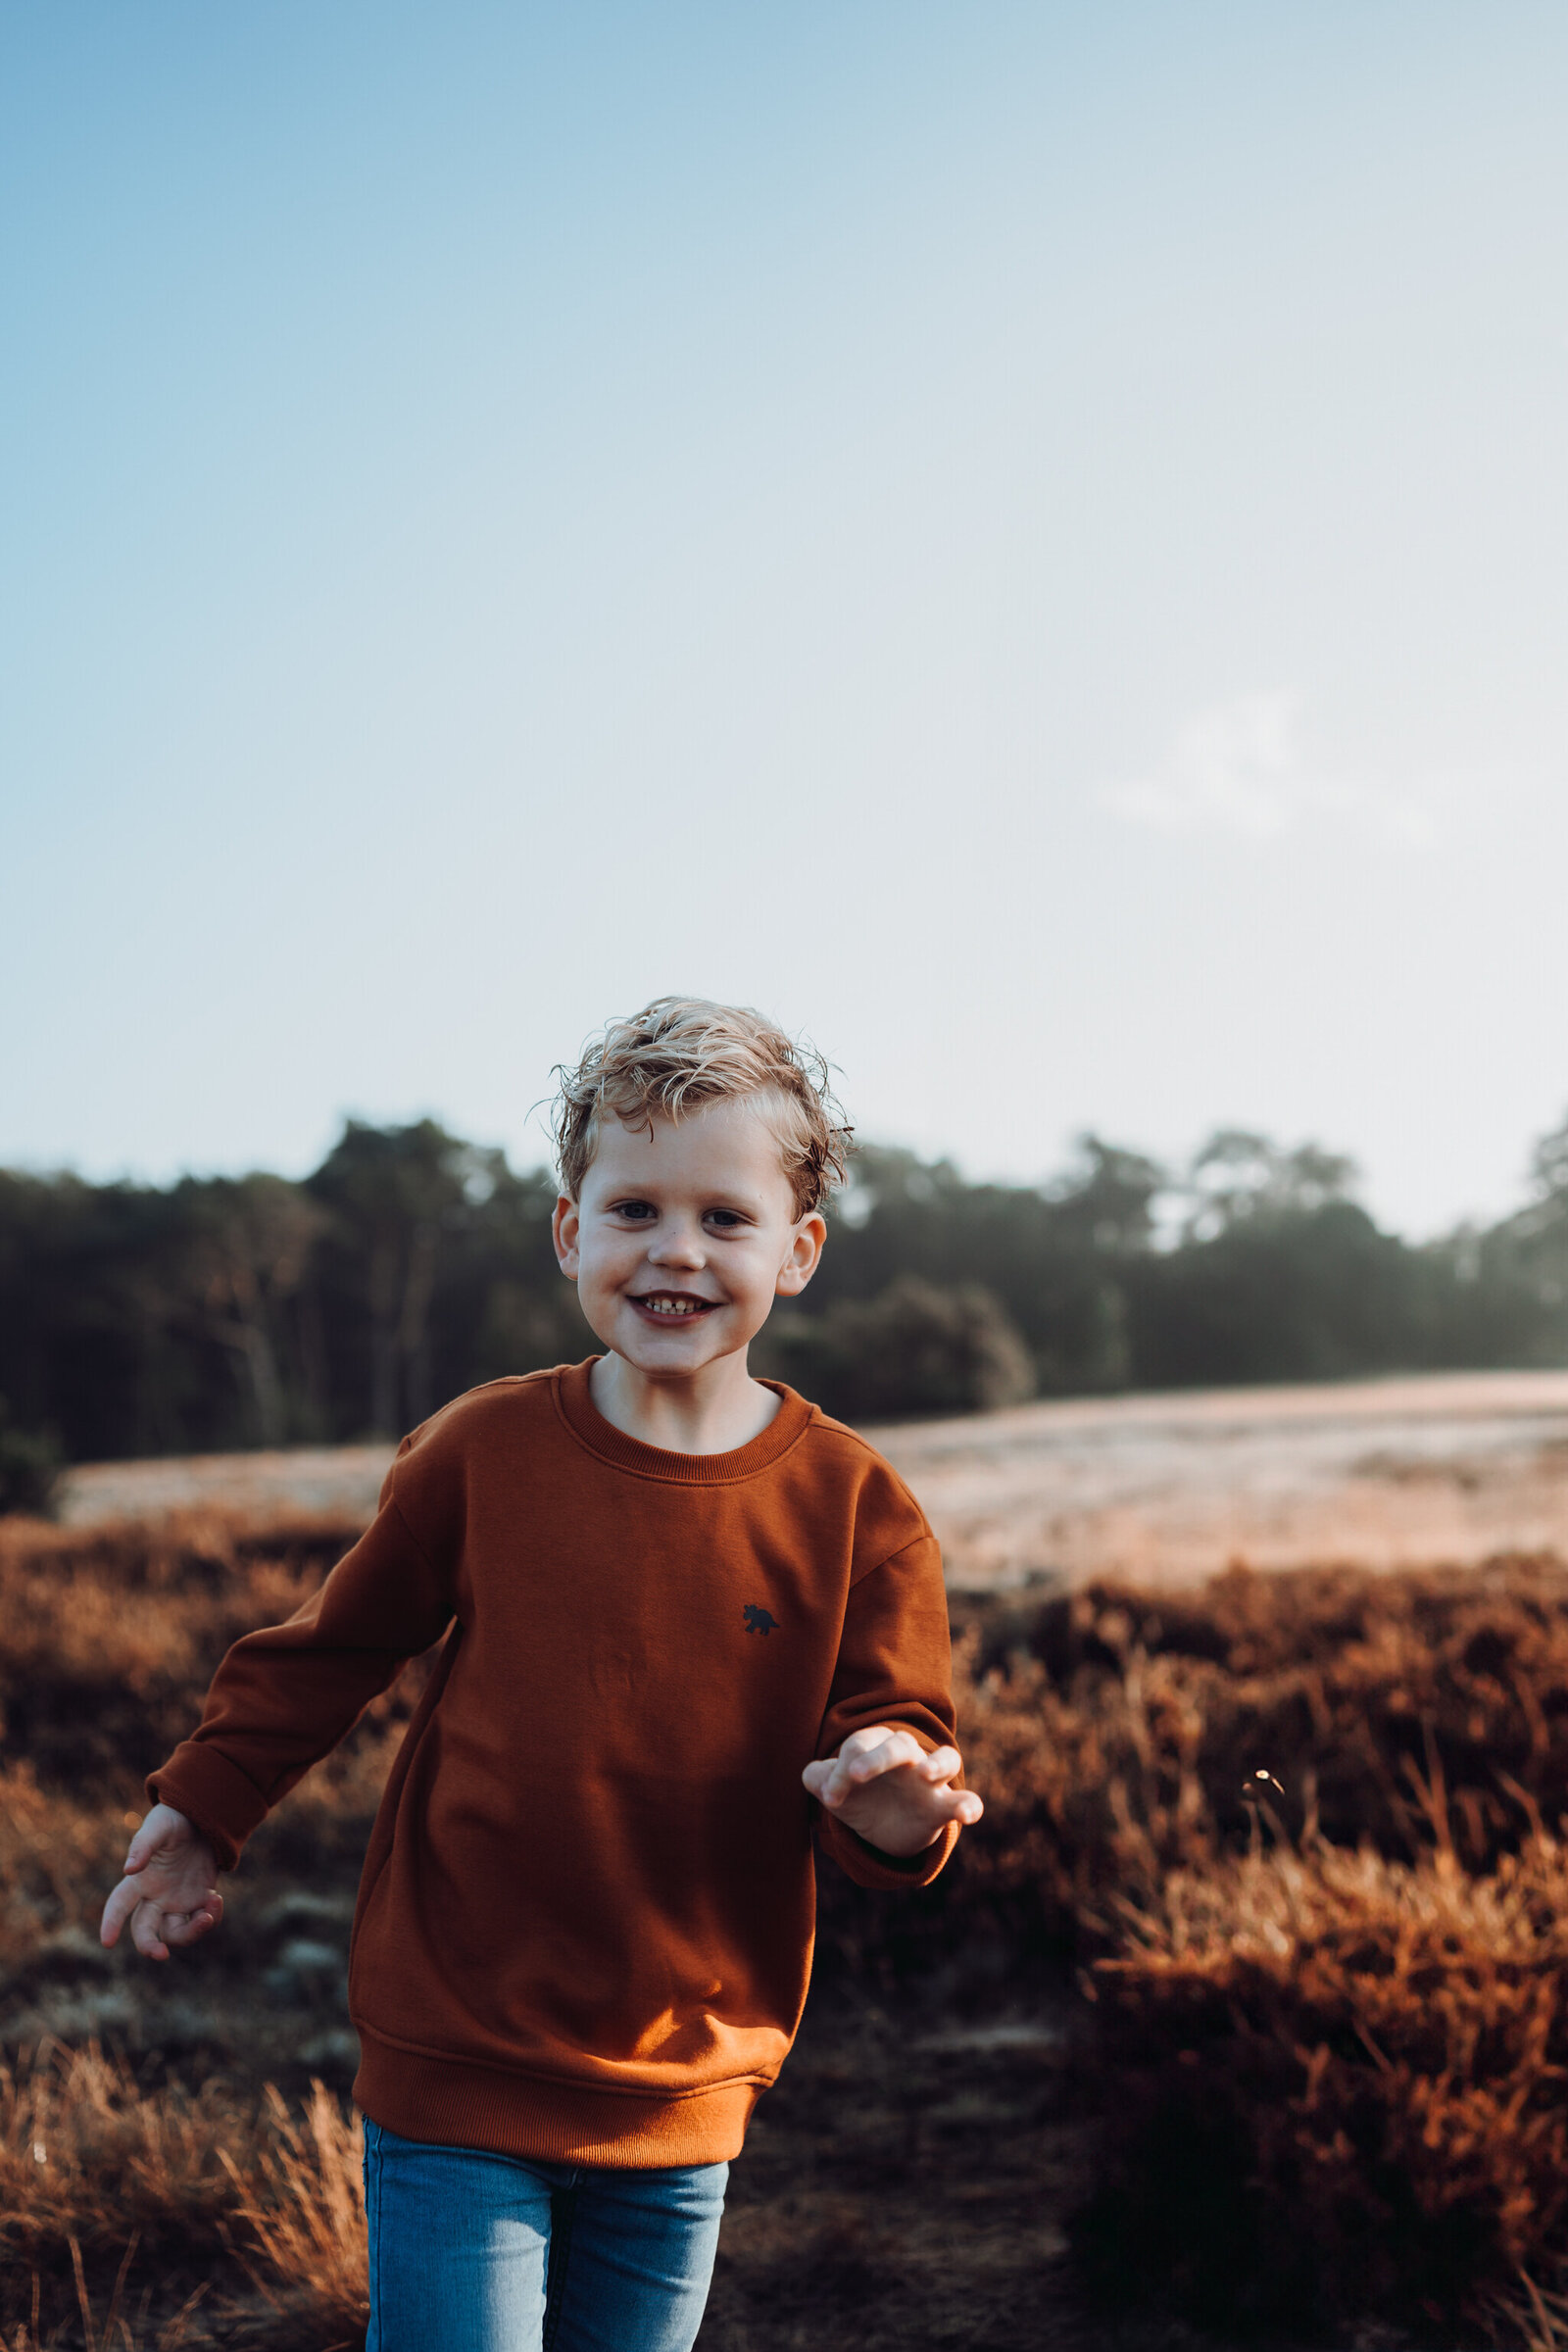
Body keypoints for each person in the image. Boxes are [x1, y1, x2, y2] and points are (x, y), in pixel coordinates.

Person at [99, 997, 982, 2352]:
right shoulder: (485, 1452)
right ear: (571, 1230)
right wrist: (201, 1811)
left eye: (724, 1219)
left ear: (796, 1251)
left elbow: (894, 1754)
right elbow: (331, 1650)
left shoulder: (857, 1505)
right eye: (634, 1211)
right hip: (457, 2046)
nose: (674, 1252)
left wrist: (898, 1802)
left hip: (684, 2081)